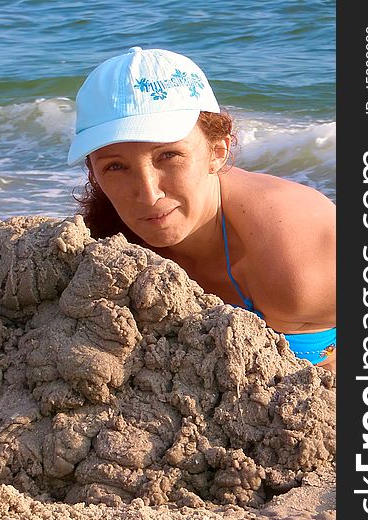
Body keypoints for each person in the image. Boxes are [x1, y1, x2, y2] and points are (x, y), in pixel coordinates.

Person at [67, 47, 336, 372]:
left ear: (217, 151)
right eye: (115, 167)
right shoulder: (108, 245)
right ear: (93, 173)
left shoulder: (296, 257)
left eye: (168, 156)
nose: (149, 194)